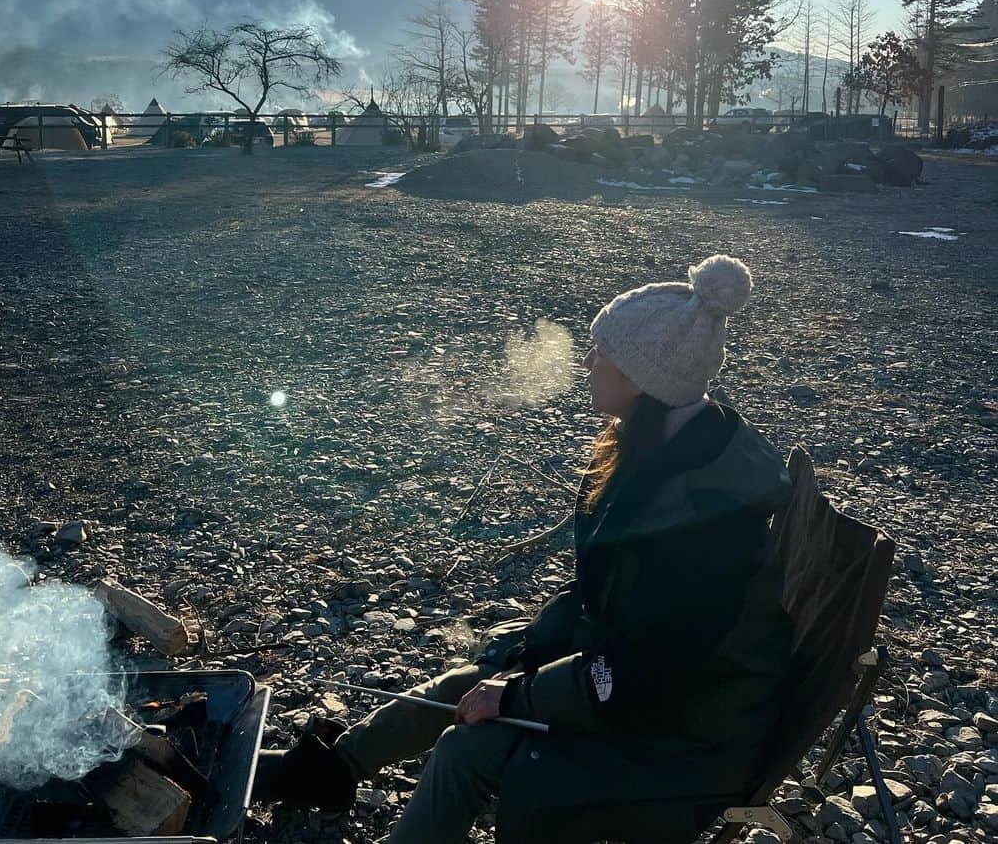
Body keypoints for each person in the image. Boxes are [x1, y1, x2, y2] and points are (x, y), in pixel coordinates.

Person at [254, 254, 794, 844]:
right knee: (460, 685)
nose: (589, 364)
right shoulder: (662, 453)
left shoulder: (706, 518)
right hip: (649, 690)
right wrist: (522, 659)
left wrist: (519, 691)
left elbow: (647, 675)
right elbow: (604, 592)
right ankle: (332, 771)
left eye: (602, 354)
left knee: (467, 746)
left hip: (683, 736)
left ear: (640, 379)